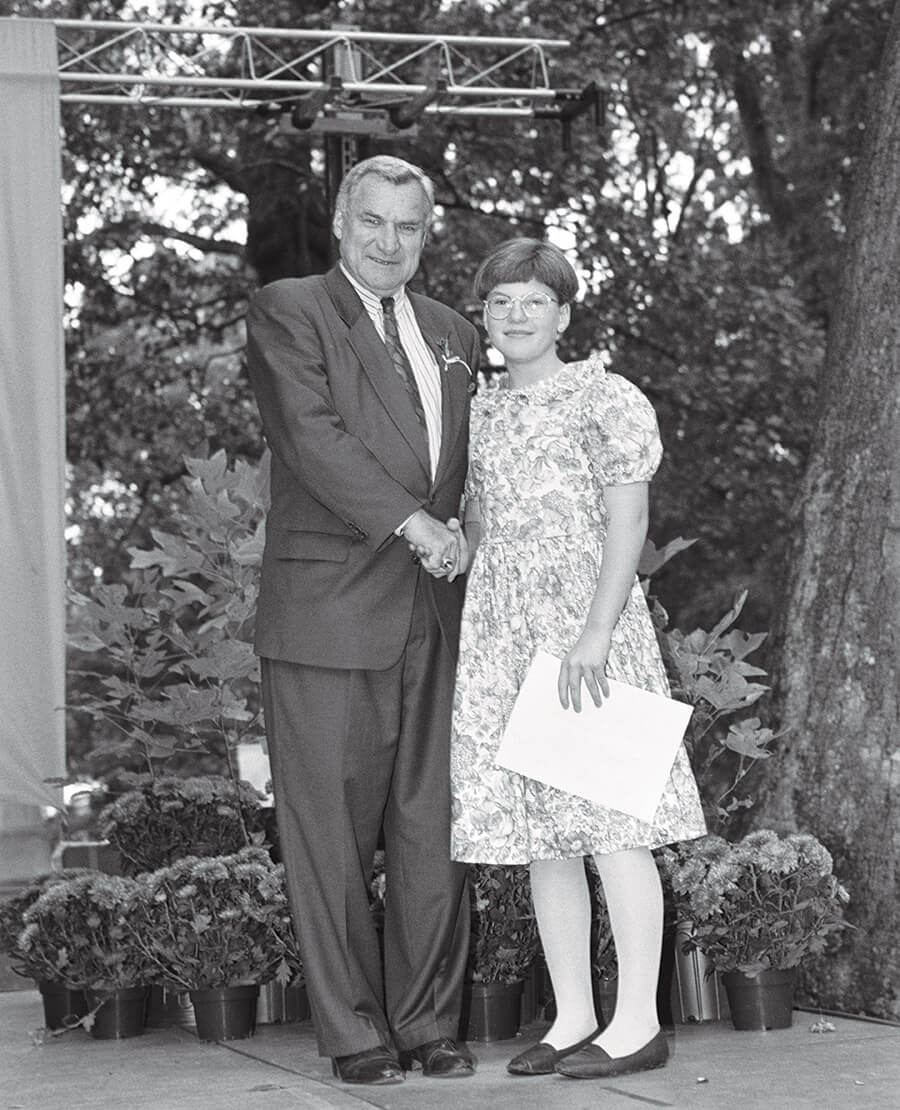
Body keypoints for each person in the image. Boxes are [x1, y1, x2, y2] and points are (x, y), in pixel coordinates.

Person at [245, 155, 480, 1086]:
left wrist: (469, 531)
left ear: (426, 235)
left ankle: (429, 1024)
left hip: (438, 610)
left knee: (433, 830)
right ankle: (354, 1035)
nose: (389, 242)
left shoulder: (456, 331)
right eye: (372, 221)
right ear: (342, 223)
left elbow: (477, 461)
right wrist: (416, 524)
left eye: (407, 226)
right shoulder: (291, 309)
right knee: (330, 838)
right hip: (329, 612)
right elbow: (312, 437)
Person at [448, 238, 707, 1080]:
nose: (515, 315)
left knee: (614, 828)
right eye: (500, 302)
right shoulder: (479, 411)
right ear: (485, 317)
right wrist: (457, 553)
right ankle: (572, 1017)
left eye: (534, 301)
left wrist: (594, 633)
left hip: (586, 631)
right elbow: (482, 519)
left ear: (562, 315)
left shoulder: (605, 397)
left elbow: (629, 521)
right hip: (506, 636)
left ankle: (638, 1024)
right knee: (545, 838)